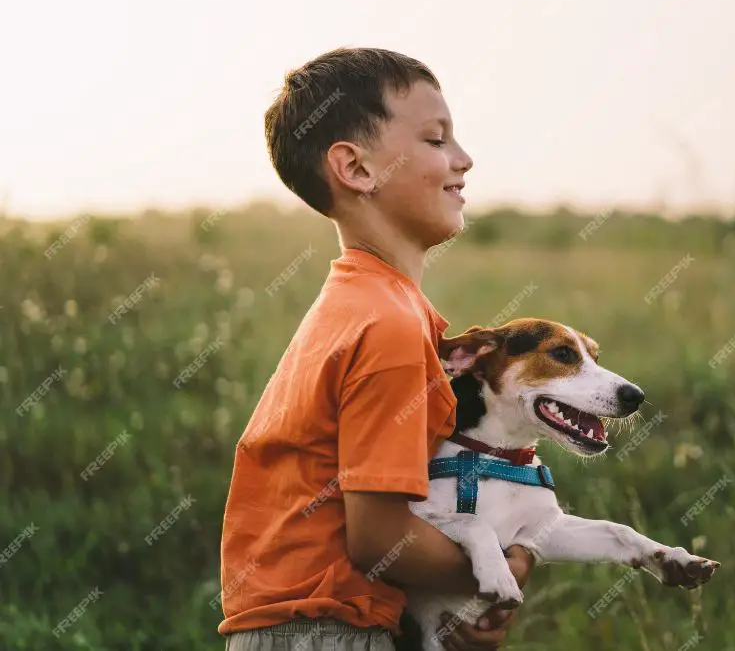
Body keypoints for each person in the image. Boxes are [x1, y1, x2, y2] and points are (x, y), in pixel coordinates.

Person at [218, 47, 533, 651]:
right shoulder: (386, 324)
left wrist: (446, 604)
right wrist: (501, 574)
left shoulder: (367, 304)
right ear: (356, 169)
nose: (464, 159)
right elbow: (379, 538)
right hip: (323, 632)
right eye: (437, 140)